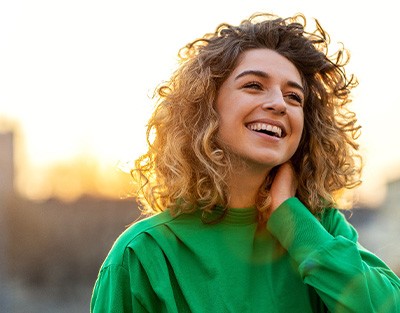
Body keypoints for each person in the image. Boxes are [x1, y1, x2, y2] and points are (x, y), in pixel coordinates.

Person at [91, 12, 400, 312]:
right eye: (253, 85)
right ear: (206, 108)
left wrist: (293, 224)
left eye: (294, 97)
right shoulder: (143, 255)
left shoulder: (322, 228)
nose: (279, 103)